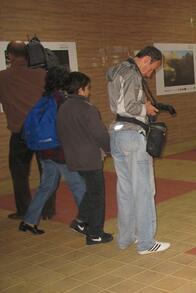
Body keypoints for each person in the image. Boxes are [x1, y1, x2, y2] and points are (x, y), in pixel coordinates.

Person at [107, 46, 170, 255]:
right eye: (152, 68)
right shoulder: (132, 73)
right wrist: (146, 108)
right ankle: (146, 242)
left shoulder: (117, 70)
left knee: (125, 190)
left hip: (117, 135)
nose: (150, 73)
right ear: (146, 60)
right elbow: (127, 107)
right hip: (133, 136)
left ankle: (125, 237)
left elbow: (118, 105)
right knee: (144, 190)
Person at [19, 67, 87, 235]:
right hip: (59, 152)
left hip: (43, 151)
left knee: (46, 186)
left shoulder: (45, 97)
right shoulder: (61, 100)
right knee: (79, 186)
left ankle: (28, 221)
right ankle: (86, 222)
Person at [0, 41, 56, 220]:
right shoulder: (43, 75)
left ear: (10, 55)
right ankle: (47, 210)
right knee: (47, 171)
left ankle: (24, 210)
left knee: (19, 173)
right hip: (42, 130)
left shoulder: (3, 77)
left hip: (20, 132)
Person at [57, 72, 113, 245]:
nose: (89, 91)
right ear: (80, 89)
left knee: (90, 191)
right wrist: (111, 149)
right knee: (97, 195)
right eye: (88, 88)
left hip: (73, 157)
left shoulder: (63, 108)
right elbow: (100, 134)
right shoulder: (88, 109)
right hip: (90, 158)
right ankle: (95, 233)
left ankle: (80, 222)